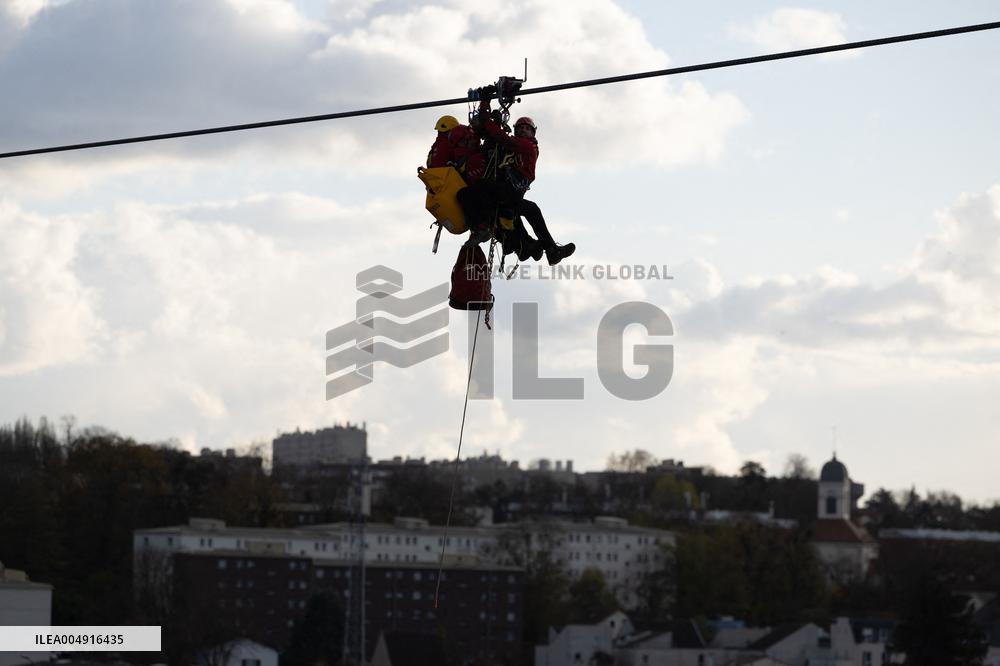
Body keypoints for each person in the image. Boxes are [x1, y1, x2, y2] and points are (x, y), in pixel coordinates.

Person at [456, 99, 574, 265]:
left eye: (527, 129)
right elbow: (495, 140)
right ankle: (543, 249)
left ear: (533, 134)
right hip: (506, 193)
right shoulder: (511, 148)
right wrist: (486, 110)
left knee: (471, 193)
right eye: (520, 128)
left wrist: (487, 120)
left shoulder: (527, 147)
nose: (523, 130)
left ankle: (482, 228)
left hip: (510, 190)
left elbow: (502, 138)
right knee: (529, 209)